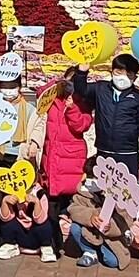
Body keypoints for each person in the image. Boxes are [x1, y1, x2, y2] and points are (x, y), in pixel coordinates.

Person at [35, 68, 93, 249]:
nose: (70, 87)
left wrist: (72, 108)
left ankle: (76, 241)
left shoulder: (82, 101)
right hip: (52, 155)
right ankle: (53, 241)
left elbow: (82, 125)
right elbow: (39, 95)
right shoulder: (52, 99)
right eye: (68, 82)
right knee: (51, 199)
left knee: (72, 200)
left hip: (71, 158)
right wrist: (55, 84)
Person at [72, 55, 139, 177]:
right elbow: (81, 90)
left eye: (128, 74)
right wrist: (81, 73)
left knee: (127, 190)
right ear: (112, 72)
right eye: (119, 72)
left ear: (135, 77)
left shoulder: (137, 98)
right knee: (105, 187)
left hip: (127, 152)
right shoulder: (100, 89)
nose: (123, 77)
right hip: (104, 149)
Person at [66, 168, 135, 270]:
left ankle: (100, 251)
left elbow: (126, 219)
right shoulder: (83, 192)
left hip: (110, 238)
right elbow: (73, 209)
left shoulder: (118, 194)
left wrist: (110, 226)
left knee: (112, 262)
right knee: (75, 227)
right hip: (89, 232)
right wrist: (90, 217)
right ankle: (89, 251)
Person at [0, 184, 54, 262]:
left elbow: (41, 220)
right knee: (6, 224)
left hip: (36, 233)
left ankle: (46, 247)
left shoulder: (40, 194)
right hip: (18, 233)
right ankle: (10, 245)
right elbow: (5, 218)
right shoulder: (9, 191)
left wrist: (36, 202)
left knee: (45, 226)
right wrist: (5, 201)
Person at [0, 77, 36, 167]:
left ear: (19, 87)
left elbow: (36, 128)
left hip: (19, 154)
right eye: (4, 87)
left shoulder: (29, 108)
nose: (8, 91)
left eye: (12, 87)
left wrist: (34, 143)